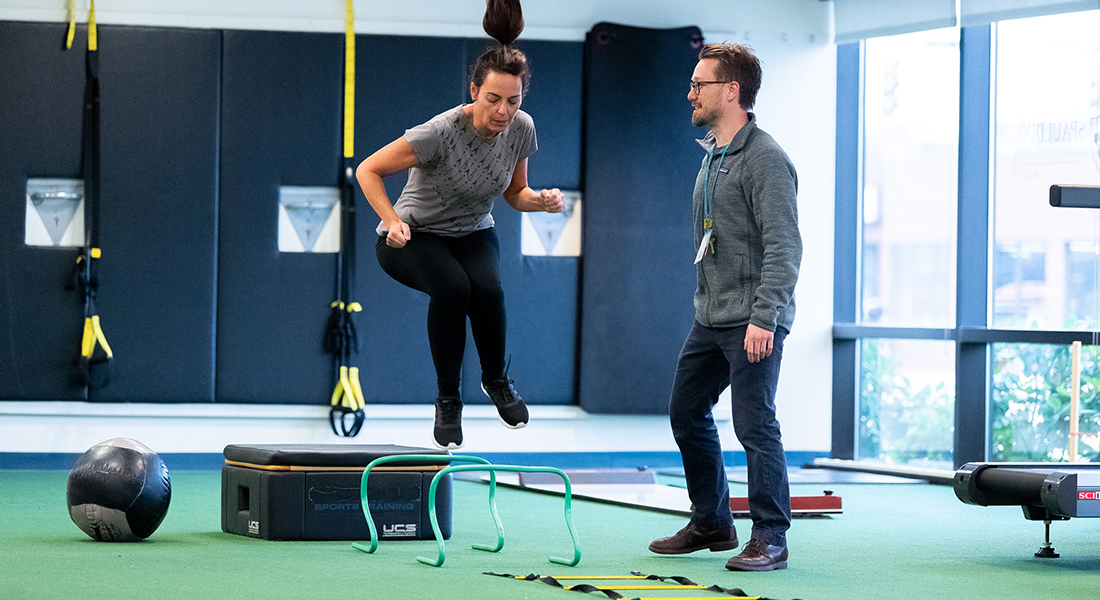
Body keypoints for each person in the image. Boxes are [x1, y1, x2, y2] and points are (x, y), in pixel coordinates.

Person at [355, 0, 564, 450]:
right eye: (493, 99)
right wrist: (390, 219)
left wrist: (541, 202)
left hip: (473, 232)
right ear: (474, 91)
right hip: (412, 236)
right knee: (453, 289)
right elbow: (367, 170)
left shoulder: (521, 129)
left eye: (513, 101)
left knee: (487, 290)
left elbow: (514, 194)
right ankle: (448, 399)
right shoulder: (439, 132)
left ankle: (497, 381)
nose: (503, 111)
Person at [648, 43, 802, 572]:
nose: (690, 93)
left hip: (753, 320)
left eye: (700, 84)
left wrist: (765, 317)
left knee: (754, 424)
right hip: (710, 317)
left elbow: (785, 245)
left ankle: (771, 538)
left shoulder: (766, 160)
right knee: (686, 412)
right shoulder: (714, 153)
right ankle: (711, 521)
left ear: (730, 91)